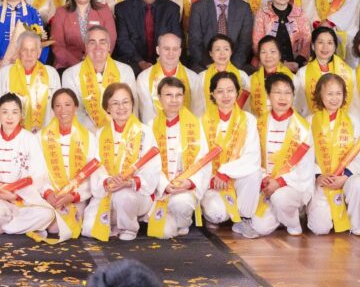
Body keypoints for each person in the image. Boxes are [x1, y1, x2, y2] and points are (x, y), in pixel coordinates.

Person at [0, 93, 59, 240]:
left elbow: (38, 175)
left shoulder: (30, 139)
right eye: (5, 112)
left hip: (24, 198)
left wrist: (16, 195)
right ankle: (22, 226)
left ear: (21, 115)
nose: (9, 117)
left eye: (14, 112)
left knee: (47, 214)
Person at [82, 83, 159, 241]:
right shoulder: (101, 133)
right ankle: (117, 220)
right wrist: (108, 179)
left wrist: (128, 182)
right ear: (107, 108)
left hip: (135, 192)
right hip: (108, 189)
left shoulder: (144, 131)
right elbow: (96, 166)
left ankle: (129, 227)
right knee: (89, 229)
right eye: (115, 103)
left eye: (125, 102)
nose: (121, 107)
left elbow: (152, 168)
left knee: (123, 197)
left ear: (132, 104)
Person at [250, 73, 316, 237]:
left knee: (280, 198)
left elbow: (305, 166)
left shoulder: (302, 127)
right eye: (277, 92)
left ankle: (293, 223)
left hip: (293, 185)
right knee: (260, 228)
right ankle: (282, 214)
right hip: (264, 184)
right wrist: (264, 179)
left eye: (287, 92)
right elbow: (252, 157)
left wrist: (279, 182)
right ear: (268, 95)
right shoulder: (259, 124)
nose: (282, 97)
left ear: (293, 96)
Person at [198, 72, 261, 239]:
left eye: (230, 90)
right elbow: (198, 159)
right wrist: (213, 177)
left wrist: (225, 171)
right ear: (212, 94)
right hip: (213, 182)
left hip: (236, 179)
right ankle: (214, 213)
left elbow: (252, 157)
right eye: (220, 91)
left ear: (237, 92)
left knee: (255, 172)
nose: (226, 96)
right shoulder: (202, 121)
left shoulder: (248, 120)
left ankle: (244, 219)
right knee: (217, 214)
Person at [306, 74, 360, 236]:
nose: (334, 98)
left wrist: (345, 175)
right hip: (322, 179)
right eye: (329, 94)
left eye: (338, 93)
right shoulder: (309, 122)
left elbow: (359, 155)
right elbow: (304, 156)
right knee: (320, 229)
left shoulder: (352, 121)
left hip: (346, 177)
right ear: (320, 95)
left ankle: (355, 222)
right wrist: (318, 175)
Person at [147, 77, 211, 238]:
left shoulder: (195, 125)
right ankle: (170, 221)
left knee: (181, 204)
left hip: (185, 187)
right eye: (168, 95)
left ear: (184, 97)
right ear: (159, 98)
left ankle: (182, 222)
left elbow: (203, 160)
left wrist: (189, 182)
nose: (174, 100)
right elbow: (147, 163)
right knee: (163, 232)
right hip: (159, 188)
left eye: (178, 95)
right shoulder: (149, 126)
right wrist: (164, 184)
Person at [37, 89, 99, 240]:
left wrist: (73, 196)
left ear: (76, 108)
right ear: (52, 110)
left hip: (76, 196)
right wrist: (48, 193)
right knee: (51, 226)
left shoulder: (89, 138)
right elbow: (37, 171)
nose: (62, 110)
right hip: (50, 195)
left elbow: (93, 175)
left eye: (67, 105)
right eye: (57, 105)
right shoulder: (41, 137)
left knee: (58, 227)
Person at [61, 26, 137, 134]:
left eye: (103, 42)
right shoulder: (70, 74)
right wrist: (96, 133)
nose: (98, 47)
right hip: (85, 135)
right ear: (86, 47)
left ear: (109, 46)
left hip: (122, 133)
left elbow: (132, 106)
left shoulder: (125, 70)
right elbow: (75, 111)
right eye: (92, 43)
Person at [0, 31, 60, 136]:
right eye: (24, 50)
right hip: (12, 139)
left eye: (33, 50)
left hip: (43, 138)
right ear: (18, 52)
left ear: (39, 53)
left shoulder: (51, 74)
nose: (29, 55)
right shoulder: (5, 74)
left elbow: (57, 110)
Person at [114, 0, 183, 74]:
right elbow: (123, 42)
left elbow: (176, 40)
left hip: (164, 61)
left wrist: (161, 63)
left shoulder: (172, 9)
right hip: (133, 62)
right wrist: (140, 62)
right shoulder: (123, 9)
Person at [187, 0, 255, 72]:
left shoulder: (244, 8)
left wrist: (231, 67)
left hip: (235, 64)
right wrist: (210, 66)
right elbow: (195, 43)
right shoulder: (198, 7)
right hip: (205, 65)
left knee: (252, 75)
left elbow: (245, 44)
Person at [50, 0, 117, 70]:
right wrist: (79, 65)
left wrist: (96, 61)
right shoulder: (61, 12)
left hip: (99, 64)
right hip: (68, 66)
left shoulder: (104, 10)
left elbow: (111, 39)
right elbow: (57, 45)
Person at [252, 0, 312, 72]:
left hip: (297, 66)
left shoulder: (299, 13)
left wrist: (297, 62)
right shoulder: (262, 14)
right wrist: (281, 65)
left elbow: (307, 41)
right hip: (269, 65)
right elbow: (257, 44)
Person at [294, 26, 359, 118]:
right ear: (313, 46)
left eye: (330, 43)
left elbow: (355, 104)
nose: (325, 47)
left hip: (342, 125)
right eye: (320, 42)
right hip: (313, 124)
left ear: (335, 46)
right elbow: (298, 104)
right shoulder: (302, 73)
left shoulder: (348, 72)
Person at [137, 33, 201, 122]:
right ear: (158, 50)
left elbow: (197, 112)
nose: (171, 53)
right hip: (155, 131)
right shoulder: (144, 78)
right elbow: (147, 114)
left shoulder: (193, 78)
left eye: (175, 49)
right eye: (166, 49)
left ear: (180, 51)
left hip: (186, 130)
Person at [196, 34, 251, 116]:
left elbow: (247, 107)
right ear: (211, 53)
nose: (222, 53)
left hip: (236, 124)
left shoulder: (242, 76)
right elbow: (198, 107)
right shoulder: (202, 77)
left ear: (231, 52)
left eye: (226, 49)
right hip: (208, 124)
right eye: (217, 49)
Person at [249, 36, 295, 121]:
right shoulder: (251, 79)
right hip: (259, 126)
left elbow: (298, 106)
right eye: (263, 52)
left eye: (272, 52)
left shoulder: (293, 79)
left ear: (280, 54)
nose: (268, 56)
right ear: (258, 55)